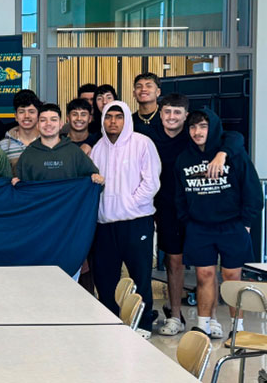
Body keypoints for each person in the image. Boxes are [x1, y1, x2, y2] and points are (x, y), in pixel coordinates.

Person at [143, 94, 244, 337]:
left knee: (207, 269)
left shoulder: (197, 135)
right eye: (167, 112)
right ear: (160, 112)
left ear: (185, 116)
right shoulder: (149, 135)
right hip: (167, 209)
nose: (171, 117)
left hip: (200, 211)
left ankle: (211, 319)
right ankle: (175, 316)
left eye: (177, 113)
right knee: (174, 262)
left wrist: (222, 154)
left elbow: (234, 136)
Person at [175, 108, 261, 340]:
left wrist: (246, 222)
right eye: (193, 127)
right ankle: (203, 325)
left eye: (203, 126)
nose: (197, 131)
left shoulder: (233, 153)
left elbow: (252, 190)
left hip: (232, 225)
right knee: (204, 275)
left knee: (233, 277)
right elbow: (179, 196)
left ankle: (238, 328)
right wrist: (187, 220)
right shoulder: (184, 158)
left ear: (212, 127)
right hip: (199, 227)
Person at [90, 101, 161, 336]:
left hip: (136, 221)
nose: (113, 121)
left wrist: (129, 204)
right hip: (105, 225)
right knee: (105, 278)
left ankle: (142, 324)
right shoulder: (97, 148)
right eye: (108, 117)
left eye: (118, 117)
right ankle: (111, 322)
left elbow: (151, 182)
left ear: (126, 120)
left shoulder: (142, 143)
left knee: (139, 275)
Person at [15, 103, 103, 184]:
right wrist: (15, 183)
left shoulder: (74, 152)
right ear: (37, 125)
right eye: (43, 120)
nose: (48, 124)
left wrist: (96, 178)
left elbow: (94, 178)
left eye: (53, 120)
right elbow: (20, 189)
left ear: (61, 124)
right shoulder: (28, 154)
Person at [0, 90, 41, 176]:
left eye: (31, 112)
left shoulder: (47, 141)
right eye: (21, 112)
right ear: (16, 116)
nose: (26, 116)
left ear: (38, 115)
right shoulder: (4, 145)